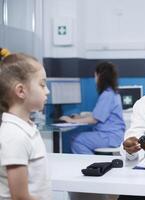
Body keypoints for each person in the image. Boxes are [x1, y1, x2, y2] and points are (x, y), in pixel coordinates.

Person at [0, 53, 52, 199]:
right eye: (42, 84)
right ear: (21, 91)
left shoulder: (26, 128)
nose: (47, 91)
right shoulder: (14, 136)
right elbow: (20, 197)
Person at [60, 61, 125, 154]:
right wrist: (79, 117)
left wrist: (71, 121)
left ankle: (92, 164)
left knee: (76, 140)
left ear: (99, 76)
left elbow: (95, 119)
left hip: (109, 137)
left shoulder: (107, 95)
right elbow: (100, 115)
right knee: (77, 138)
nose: (95, 79)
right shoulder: (112, 93)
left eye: (95, 76)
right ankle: (92, 163)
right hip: (114, 135)